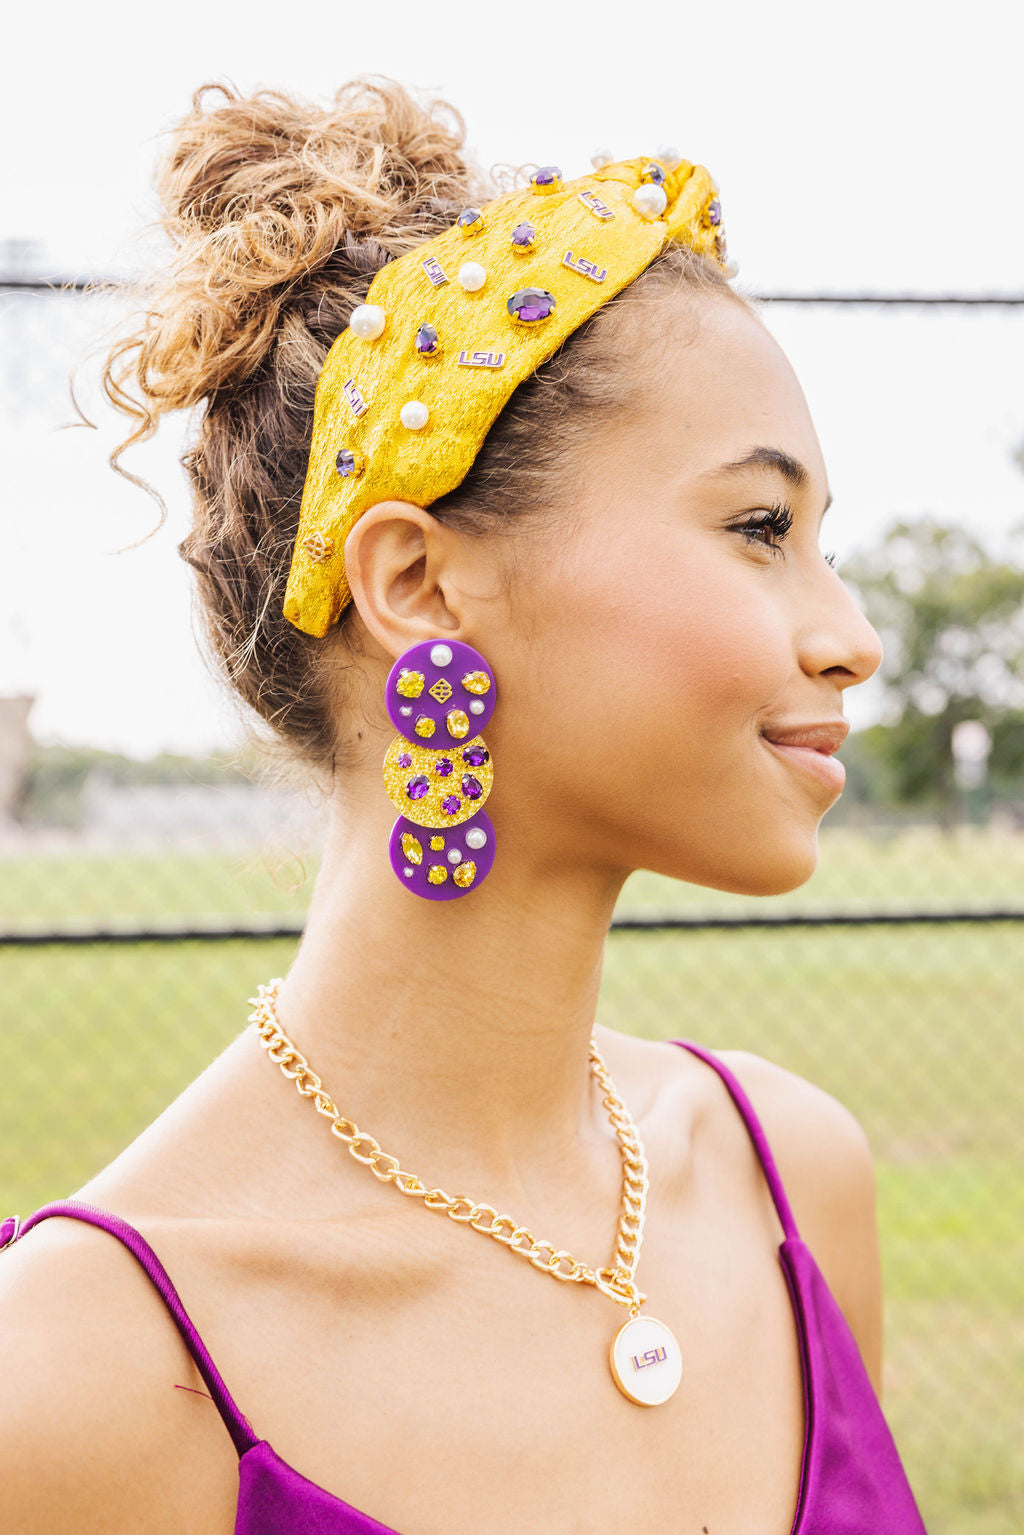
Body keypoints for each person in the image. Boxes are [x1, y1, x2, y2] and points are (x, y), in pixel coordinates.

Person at [0, 75, 929, 1534]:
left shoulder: (791, 1182)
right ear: (421, 587)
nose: (851, 634)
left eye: (821, 540)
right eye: (760, 528)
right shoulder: (75, 1380)